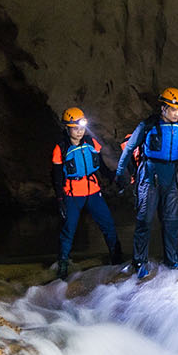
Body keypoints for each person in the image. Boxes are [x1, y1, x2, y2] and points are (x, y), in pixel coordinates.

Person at [123, 87, 178, 277]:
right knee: (145, 220)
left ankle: (173, 261)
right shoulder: (147, 125)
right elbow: (129, 149)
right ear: (163, 108)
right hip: (149, 176)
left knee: (172, 222)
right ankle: (139, 262)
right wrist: (120, 172)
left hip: (170, 178)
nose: (177, 113)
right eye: (173, 109)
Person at [52, 106, 123, 279]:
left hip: (93, 192)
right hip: (72, 194)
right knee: (69, 229)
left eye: (82, 127)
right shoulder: (60, 148)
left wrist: (114, 177)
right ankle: (63, 264)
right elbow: (56, 176)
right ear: (67, 128)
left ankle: (117, 259)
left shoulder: (91, 143)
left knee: (108, 225)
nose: (79, 131)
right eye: (75, 128)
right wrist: (60, 198)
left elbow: (102, 166)